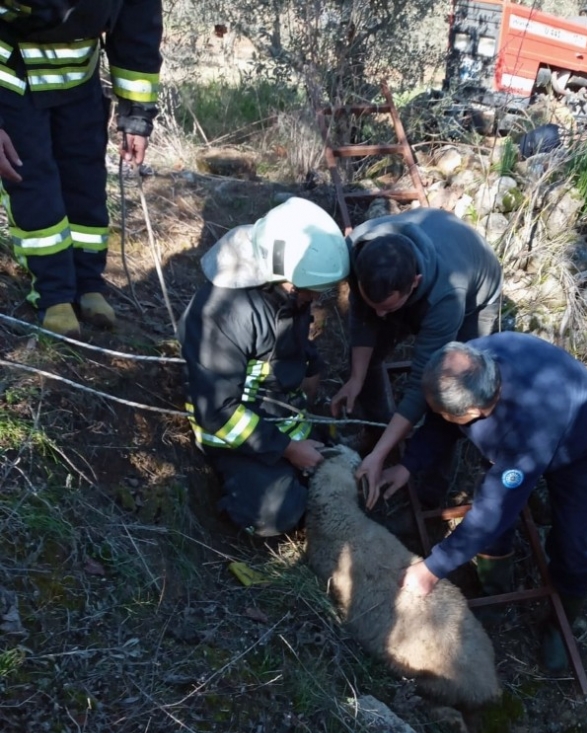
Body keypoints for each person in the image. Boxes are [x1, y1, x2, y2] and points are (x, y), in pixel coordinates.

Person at [378, 335, 587, 672]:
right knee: (494, 507)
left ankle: (561, 619)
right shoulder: (468, 362)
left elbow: (494, 510)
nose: (443, 418)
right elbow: (440, 419)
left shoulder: (526, 429)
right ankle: (494, 588)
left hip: (584, 442)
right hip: (529, 429)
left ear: (476, 411)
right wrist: (409, 465)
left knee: (573, 538)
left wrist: (432, 568)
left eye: (453, 415)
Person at [177, 197, 350, 538]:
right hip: (235, 437)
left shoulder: (284, 291)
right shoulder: (222, 315)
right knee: (276, 512)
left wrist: (312, 368)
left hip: (279, 416)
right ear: (282, 273)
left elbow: (293, 341)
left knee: (336, 463)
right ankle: (237, 505)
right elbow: (217, 413)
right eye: (308, 292)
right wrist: (288, 449)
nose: (313, 299)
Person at [0, 1, 163, 337]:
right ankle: (54, 294)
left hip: (80, 78)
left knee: (85, 184)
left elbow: (137, 24)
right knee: (34, 185)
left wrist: (137, 114)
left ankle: (88, 283)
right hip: (12, 74)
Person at [329, 208, 503, 504]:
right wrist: (357, 378)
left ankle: (432, 486)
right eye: (375, 304)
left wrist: (379, 457)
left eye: (389, 308)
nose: (379, 316)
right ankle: (381, 431)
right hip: (420, 274)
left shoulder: (447, 297)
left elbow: (420, 387)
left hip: (476, 292)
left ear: (415, 282)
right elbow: (363, 315)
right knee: (368, 357)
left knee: (451, 392)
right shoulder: (358, 251)